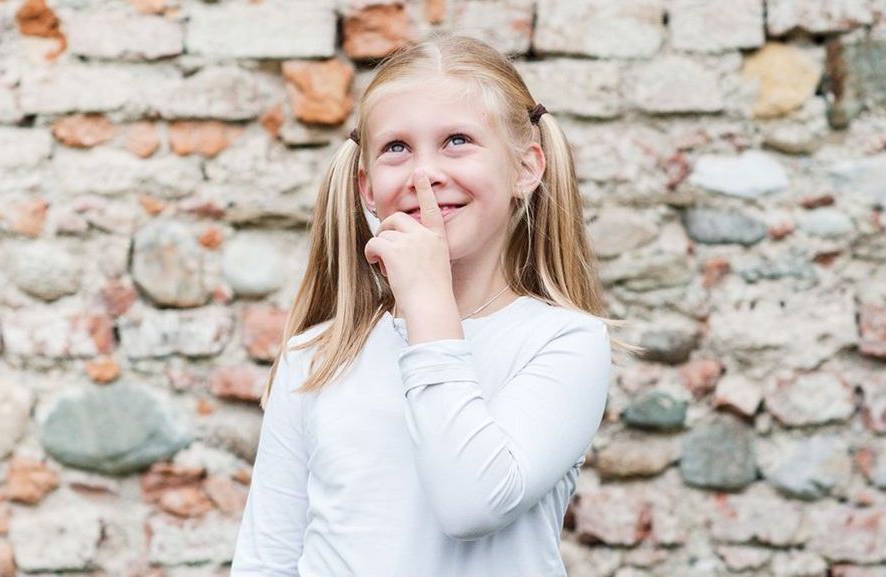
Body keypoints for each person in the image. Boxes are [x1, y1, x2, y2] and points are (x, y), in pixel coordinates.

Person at [230, 33, 639, 577]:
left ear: (526, 168)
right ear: (367, 187)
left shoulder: (564, 342)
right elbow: (266, 558)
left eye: (457, 141)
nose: (426, 173)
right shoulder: (315, 357)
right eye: (397, 148)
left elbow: (471, 503)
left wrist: (429, 303)